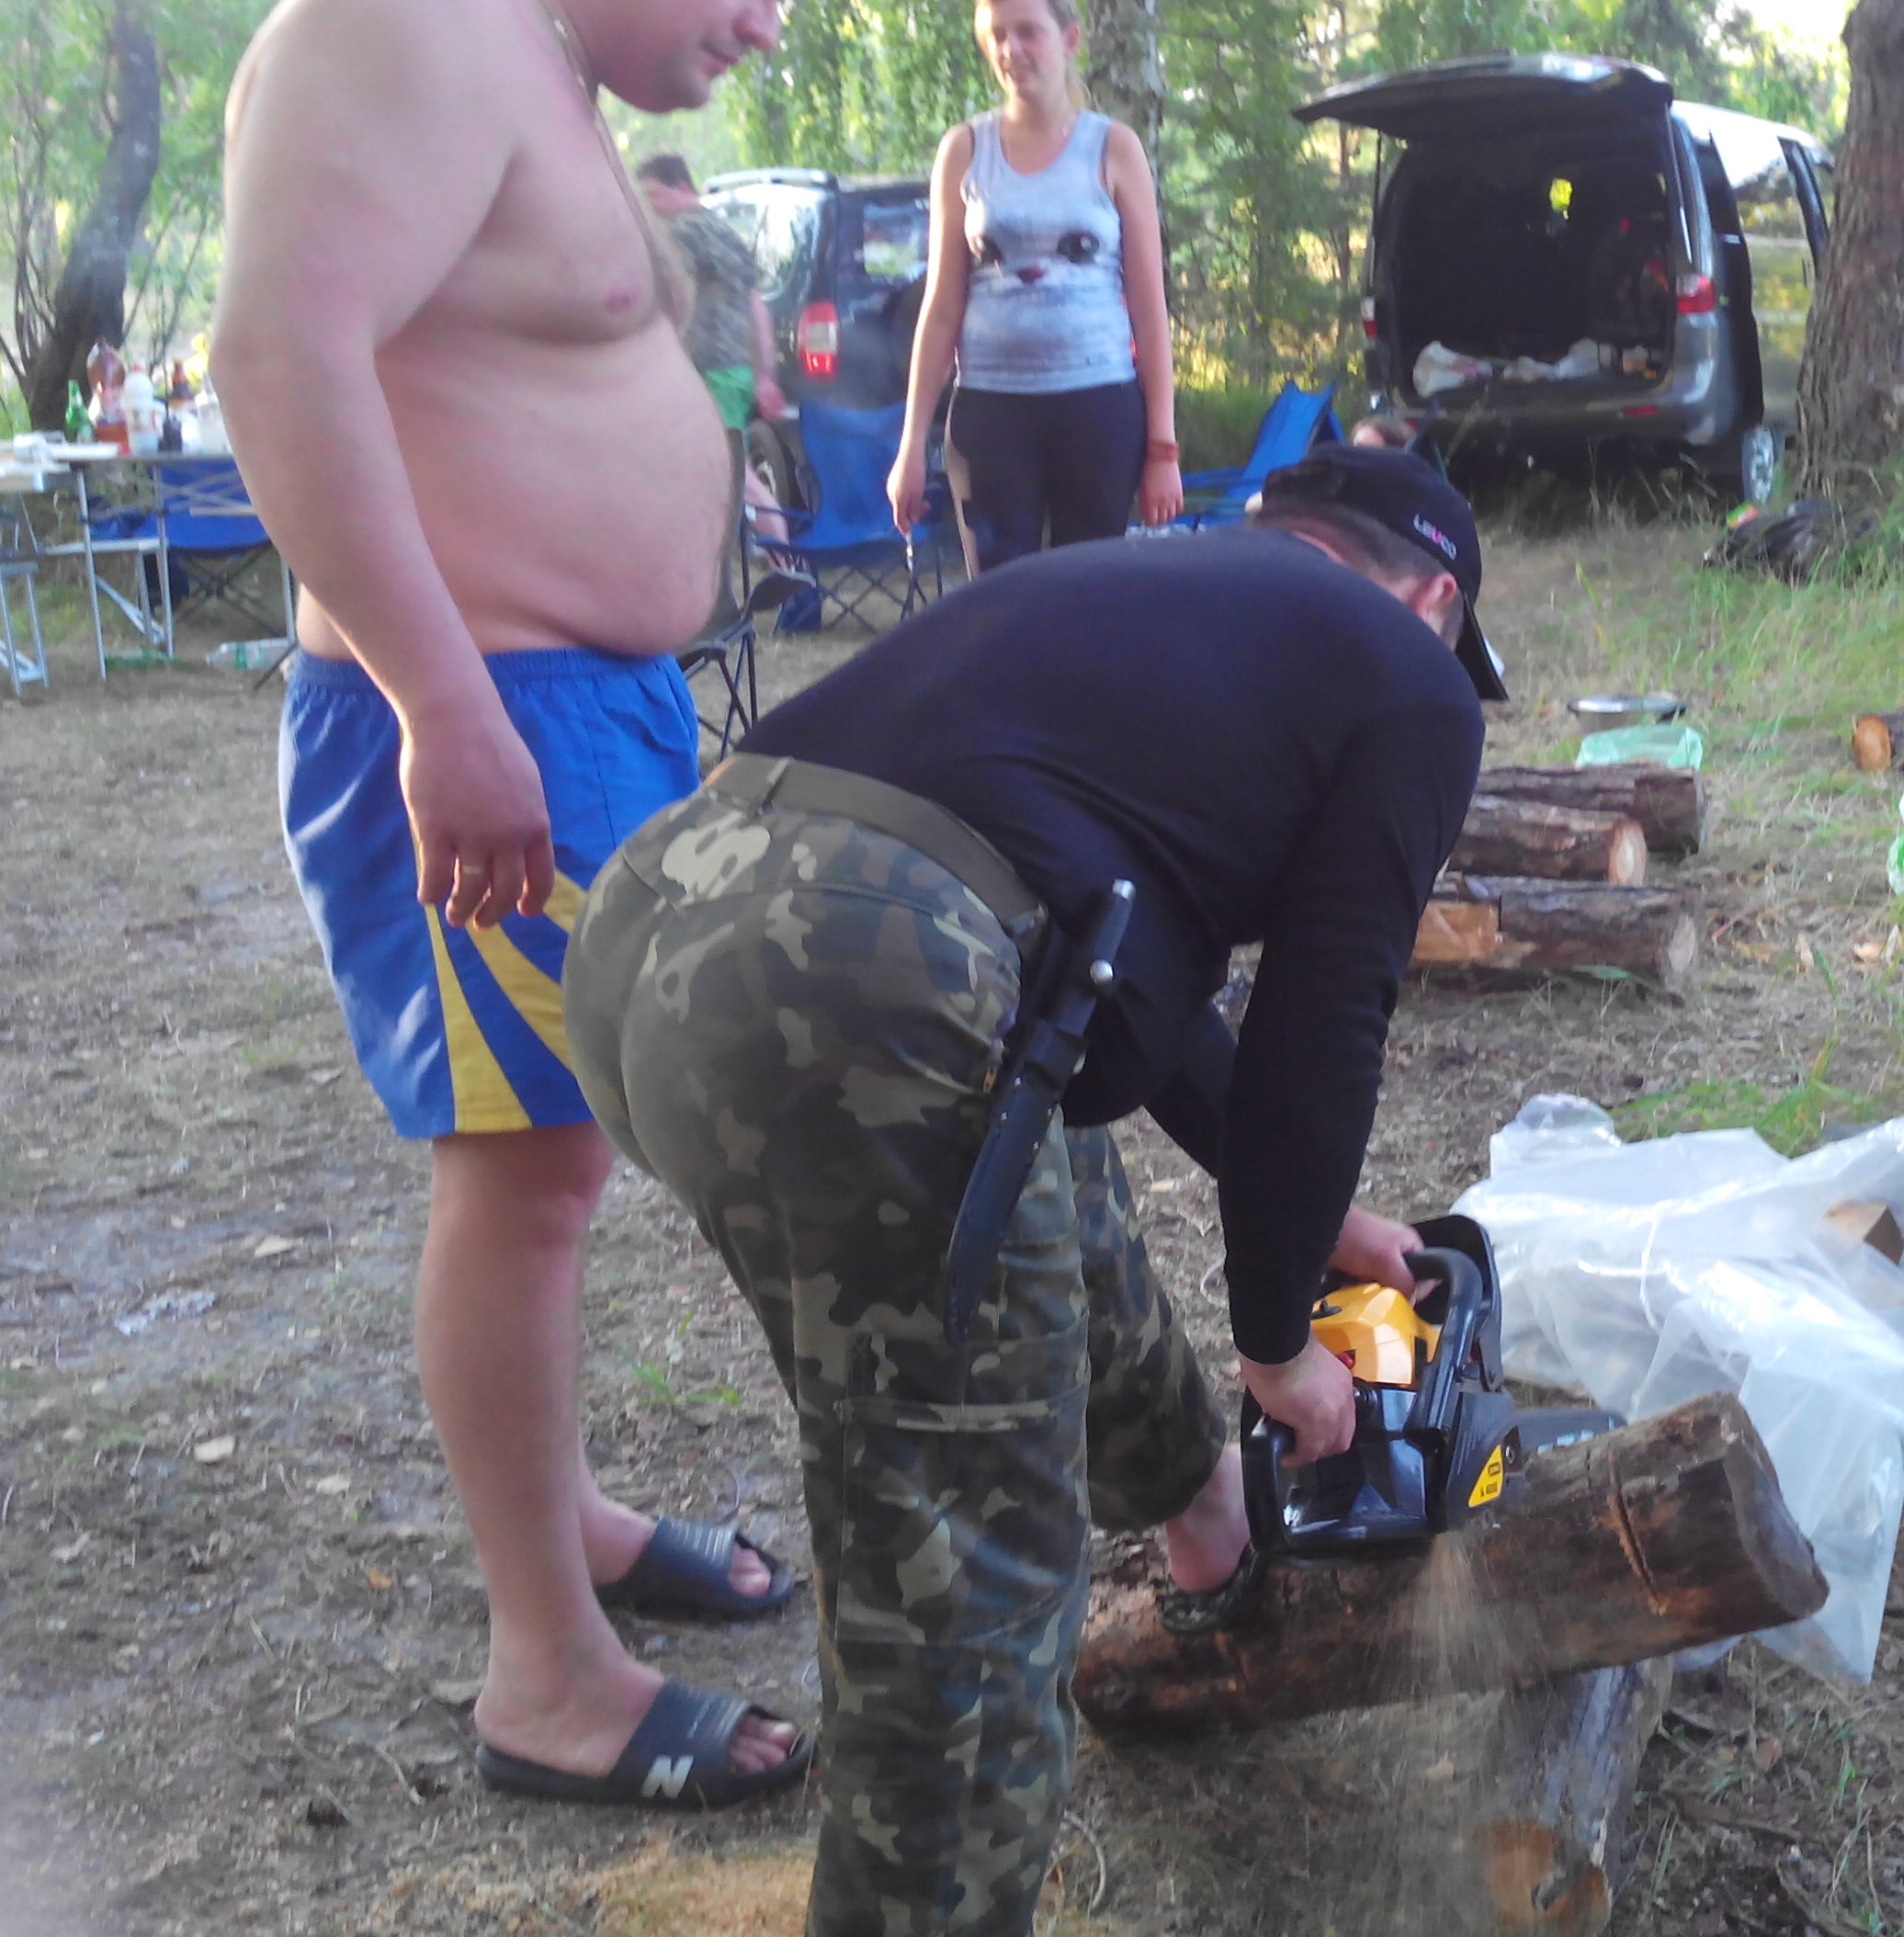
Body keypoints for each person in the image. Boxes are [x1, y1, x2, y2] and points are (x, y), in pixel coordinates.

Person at [562, 442, 1505, 1936]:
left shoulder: (1138, 583)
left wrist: (1315, 1222)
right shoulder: (1409, 677)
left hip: (657, 913)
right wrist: (1278, 1342)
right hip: (856, 969)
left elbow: (1126, 994)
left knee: (1041, 1150)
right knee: (967, 1578)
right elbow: (1322, 1023)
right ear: (1434, 600)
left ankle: (1207, 1521)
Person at [210, 0, 826, 1814]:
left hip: (578, 702)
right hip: (489, 705)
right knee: (524, 1176)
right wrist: (442, 702)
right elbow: (279, 351)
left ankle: (566, 1522)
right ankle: (545, 1674)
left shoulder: (537, 75)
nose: (757, 22)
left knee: (566, 1150)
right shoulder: (413, 10)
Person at [884, 0, 1180, 569]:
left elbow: (1150, 311)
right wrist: (911, 443)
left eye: (1027, 32)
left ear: (1068, 39)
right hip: (990, 415)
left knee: (1089, 593)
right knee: (999, 600)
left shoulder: (1114, 148)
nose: (1011, 50)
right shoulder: (965, 150)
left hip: (1098, 410)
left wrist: (1163, 450)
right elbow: (941, 308)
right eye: (997, 35)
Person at [634, 152, 789, 436]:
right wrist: (764, 376)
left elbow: (654, 300)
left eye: (653, 195)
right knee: (731, 451)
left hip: (703, 372)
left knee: (710, 455)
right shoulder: (729, 233)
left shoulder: (679, 233)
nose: (648, 206)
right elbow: (756, 305)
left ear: (682, 188)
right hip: (737, 371)